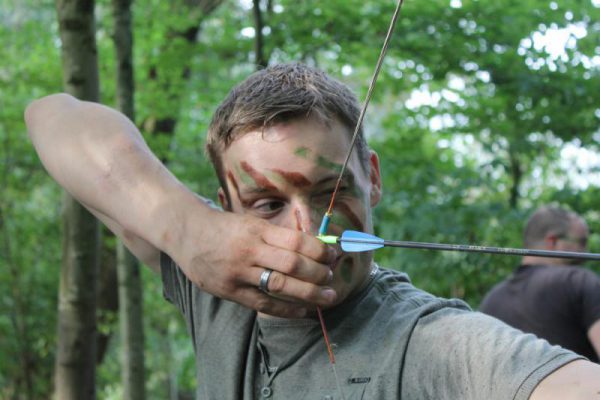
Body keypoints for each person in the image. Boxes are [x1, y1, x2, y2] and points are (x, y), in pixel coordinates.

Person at [25, 64, 600, 399]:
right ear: (227, 206)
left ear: (370, 180)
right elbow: (50, 116)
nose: (307, 235)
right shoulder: (215, 283)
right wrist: (187, 229)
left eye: (330, 194)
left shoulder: (436, 344)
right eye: (268, 204)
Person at [480, 205, 600, 362]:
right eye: (582, 242)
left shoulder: (491, 301)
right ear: (553, 241)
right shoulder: (579, 280)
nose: (586, 250)